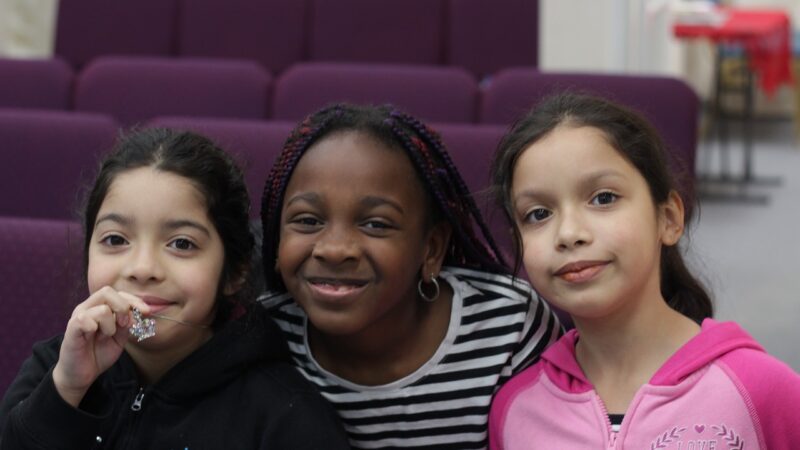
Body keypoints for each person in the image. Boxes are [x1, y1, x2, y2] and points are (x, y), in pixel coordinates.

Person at [0, 128, 350, 449]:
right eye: (115, 239)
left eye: (182, 244)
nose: (143, 269)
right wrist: (65, 390)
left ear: (235, 272)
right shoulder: (55, 367)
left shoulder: (284, 415)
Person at [487, 92, 800, 449]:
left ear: (668, 219)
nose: (569, 233)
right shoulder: (515, 409)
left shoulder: (760, 390)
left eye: (604, 198)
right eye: (538, 214)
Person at [258, 103, 562, 449]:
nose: (335, 249)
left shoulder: (508, 325)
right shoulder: (262, 335)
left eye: (376, 224)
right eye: (308, 221)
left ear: (431, 249)